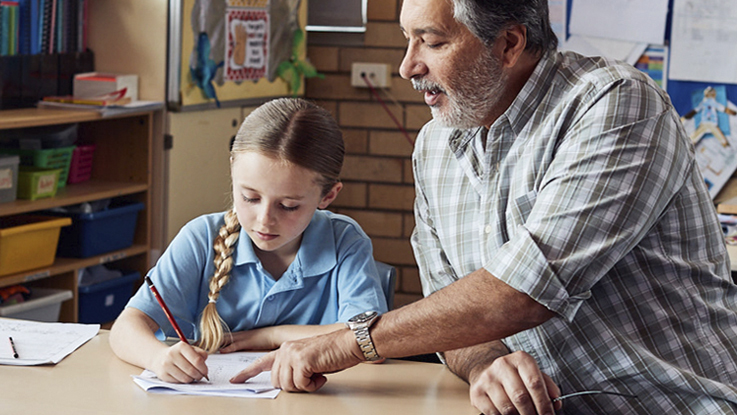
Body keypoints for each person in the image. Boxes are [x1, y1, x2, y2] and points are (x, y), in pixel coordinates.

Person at [232, 0, 737, 413]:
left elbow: (521, 292)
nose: (408, 65)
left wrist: (349, 340)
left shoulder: (615, 104)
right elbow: (448, 315)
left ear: (509, 44)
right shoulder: (434, 147)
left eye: (431, 41)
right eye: (408, 40)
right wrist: (485, 364)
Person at [109, 97, 388, 384]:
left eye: (289, 206)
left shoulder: (344, 240)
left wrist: (270, 335)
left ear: (328, 196)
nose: (264, 220)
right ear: (232, 172)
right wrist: (157, 357)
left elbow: (372, 343)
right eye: (250, 198)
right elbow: (125, 329)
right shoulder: (202, 238)